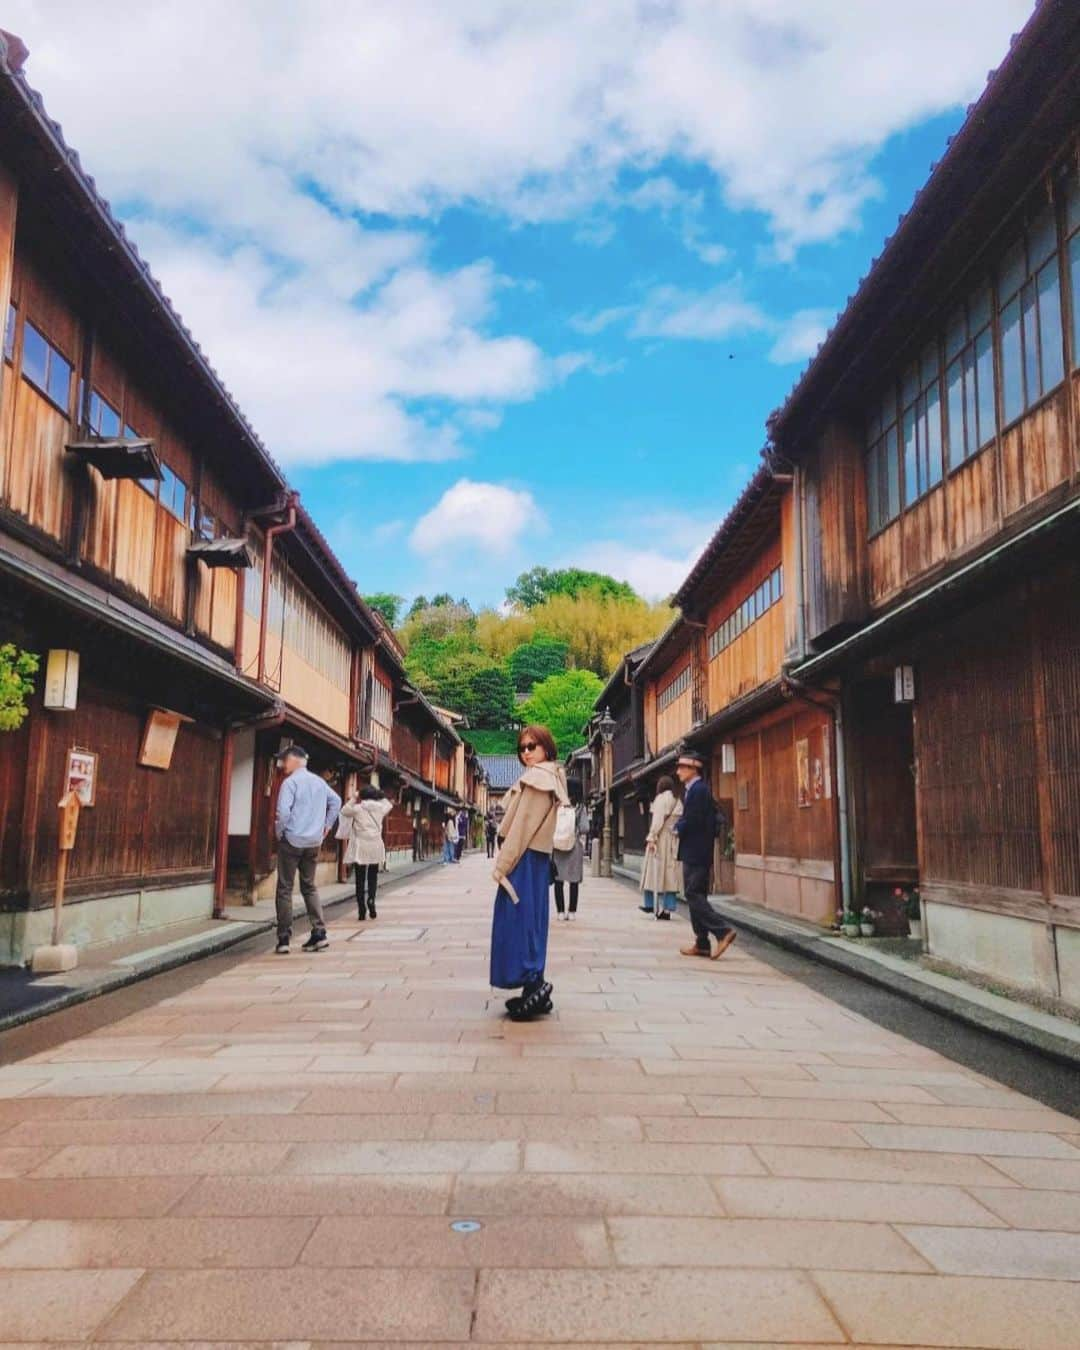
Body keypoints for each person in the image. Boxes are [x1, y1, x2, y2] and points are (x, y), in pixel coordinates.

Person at [490, 723, 568, 1021]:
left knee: (517, 921)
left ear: (546, 748)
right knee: (531, 920)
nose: (526, 753)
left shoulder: (538, 780)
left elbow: (522, 828)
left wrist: (502, 865)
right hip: (535, 858)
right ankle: (532, 984)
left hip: (524, 857)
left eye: (531, 747)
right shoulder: (550, 776)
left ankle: (533, 982)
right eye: (522, 748)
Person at [274, 745, 341, 955]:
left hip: (292, 839)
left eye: (284, 760)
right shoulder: (319, 782)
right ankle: (319, 932)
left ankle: (284, 938)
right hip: (313, 841)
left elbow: (283, 812)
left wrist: (279, 832)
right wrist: (327, 826)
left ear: (294, 760)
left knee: (284, 887)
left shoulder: (290, 782)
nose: (283, 764)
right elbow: (336, 801)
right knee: (309, 886)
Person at [673, 751, 736, 959]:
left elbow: (693, 819)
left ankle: (722, 930)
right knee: (695, 893)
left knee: (693, 894)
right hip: (695, 849)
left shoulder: (699, 790)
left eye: (682, 768)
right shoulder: (694, 790)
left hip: (697, 850)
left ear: (693, 769)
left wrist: (678, 827)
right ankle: (701, 943)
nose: (678, 771)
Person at [340, 784, 394, 920]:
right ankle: (371, 900)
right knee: (373, 876)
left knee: (360, 878)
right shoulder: (381, 808)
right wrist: (379, 794)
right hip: (375, 844)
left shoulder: (358, 808)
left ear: (362, 796)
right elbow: (389, 804)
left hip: (361, 845)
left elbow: (344, 810)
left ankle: (361, 909)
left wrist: (354, 797)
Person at [640, 774, 683, 919]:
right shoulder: (677, 801)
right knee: (670, 875)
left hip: (660, 839)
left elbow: (657, 821)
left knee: (652, 872)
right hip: (673, 840)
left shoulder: (660, 799)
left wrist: (652, 836)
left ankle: (650, 904)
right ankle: (668, 909)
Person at [552, 793, 588, 920]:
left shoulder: (556, 804)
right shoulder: (580, 807)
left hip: (557, 845)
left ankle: (560, 912)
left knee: (558, 880)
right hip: (574, 845)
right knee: (574, 880)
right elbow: (585, 828)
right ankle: (571, 911)